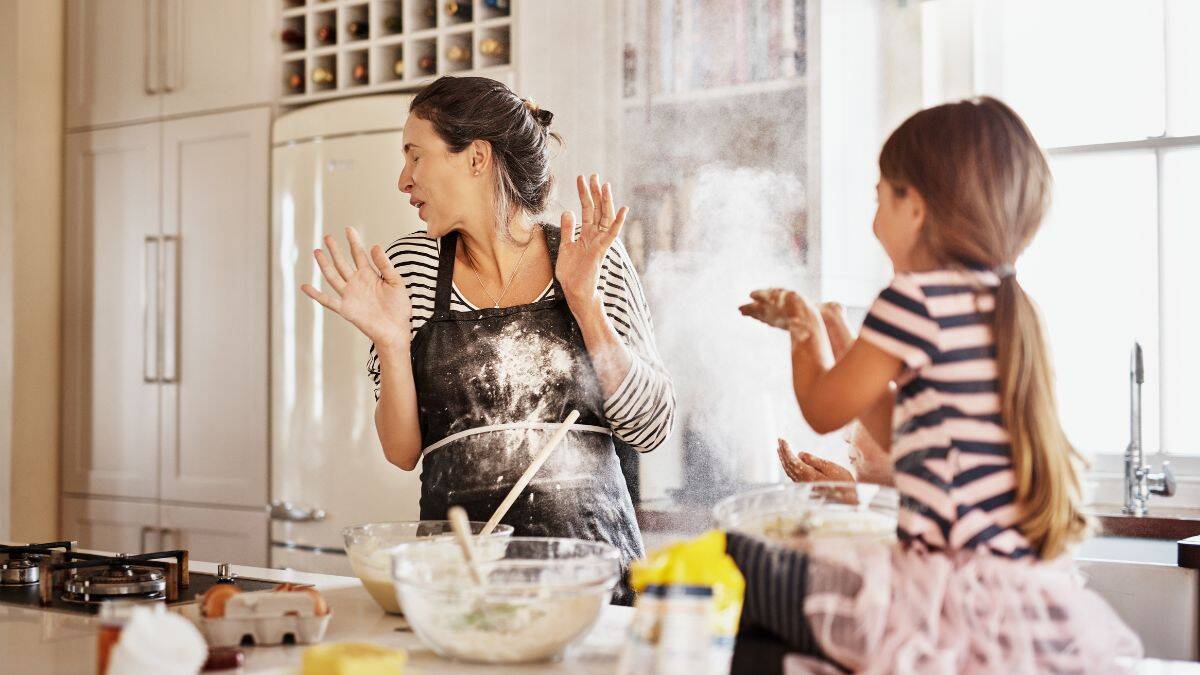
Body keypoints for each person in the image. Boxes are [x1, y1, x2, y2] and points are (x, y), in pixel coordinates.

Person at [736, 97, 1141, 672]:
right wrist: (846, 349)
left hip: (939, 588)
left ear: (915, 208)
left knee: (740, 564)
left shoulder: (914, 298)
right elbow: (904, 433)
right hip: (1011, 591)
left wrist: (802, 328)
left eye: (880, 195)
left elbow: (823, 410)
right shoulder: (1002, 305)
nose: (873, 213)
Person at [301, 76, 675, 604]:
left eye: (415, 156)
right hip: (462, 587)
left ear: (476, 157)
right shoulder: (411, 267)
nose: (402, 181)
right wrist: (389, 341)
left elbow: (652, 426)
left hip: (594, 590)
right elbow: (403, 451)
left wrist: (585, 301)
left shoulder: (590, 257)